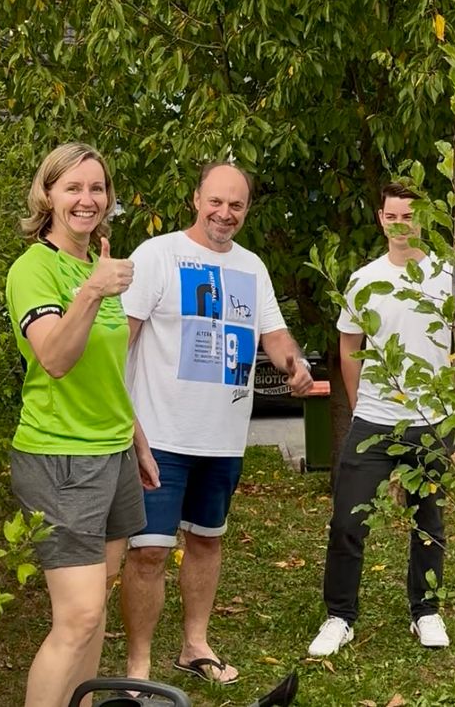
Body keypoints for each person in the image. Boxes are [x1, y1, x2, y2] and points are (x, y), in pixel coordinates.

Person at [119, 162, 313, 685]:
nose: (224, 213)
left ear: (247, 209)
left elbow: (275, 335)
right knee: (150, 551)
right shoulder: (156, 255)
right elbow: (120, 343)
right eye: (216, 201)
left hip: (223, 439)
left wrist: (296, 365)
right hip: (158, 436)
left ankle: (194, 646)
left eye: (237, 205)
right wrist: (127, 428)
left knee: (206, 540)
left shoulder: (253, 267)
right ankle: (137, 667)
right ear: (195, 198)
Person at [5, 143, 158, 707]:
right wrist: (92, 290)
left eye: (97, 189)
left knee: (93, 617)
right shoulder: (35, 269)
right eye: (73, 188)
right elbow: (57, 359)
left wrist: (135, 439)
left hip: (112, 453)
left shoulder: (96, 260)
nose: (87, 200)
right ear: (47, 194)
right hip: (59, 458)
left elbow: (106, 371)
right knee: (79, 617)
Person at [308, 182, 455, 657]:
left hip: (429, 422)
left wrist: (450, 393)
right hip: (374, 421)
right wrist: (361, 400)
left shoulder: (449, 276)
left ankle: (425, 612)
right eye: (392, 215)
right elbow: (349, 348)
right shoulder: (363, 279)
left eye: (409, 214)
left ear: (422, 217)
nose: (400, 223)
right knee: (347, 521)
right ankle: (339, 617)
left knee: (429, 520)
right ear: (380, 219)